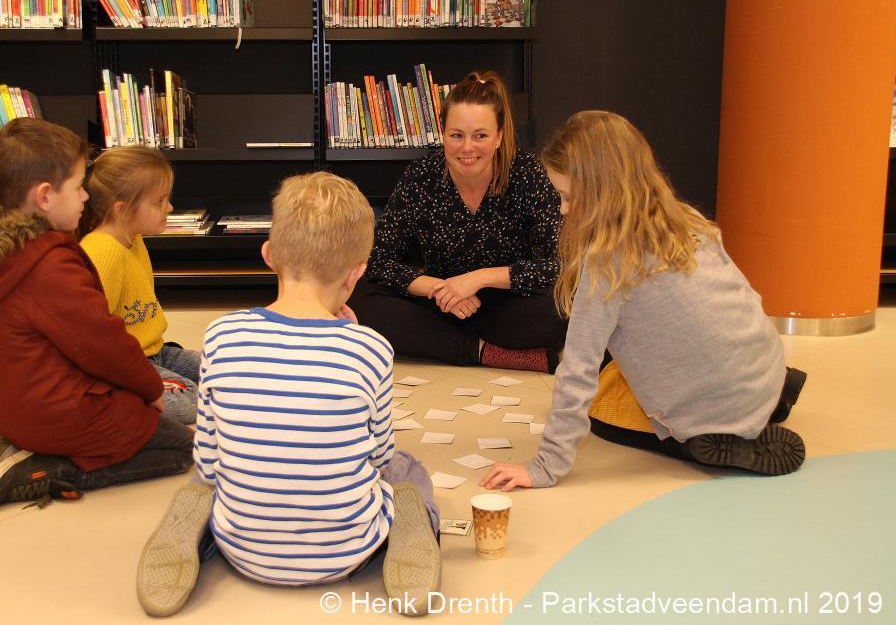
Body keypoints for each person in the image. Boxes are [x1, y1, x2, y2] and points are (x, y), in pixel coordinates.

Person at [136, 171, 441, 617]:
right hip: (347, 553)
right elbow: (377, 458)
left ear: (268, 255)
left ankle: (201, 530)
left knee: (208, 477)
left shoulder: (221, 335)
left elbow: (210, 459)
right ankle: (412, 529)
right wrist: (352, 338)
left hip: (242, 551)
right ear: (357, 273)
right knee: (407, 468)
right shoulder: (371, 348)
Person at [481, 111, 807, 491]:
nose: (563, 209)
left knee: (600, 413)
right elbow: (743, 297)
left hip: (714, 411)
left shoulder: (606, 262)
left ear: (600, 192)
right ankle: (768, 398)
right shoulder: (685, 218)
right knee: (621, 364)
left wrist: (545, 466)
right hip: (763, 367)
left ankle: (712, 437)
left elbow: (578, 368)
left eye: (568, 196)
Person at [0, 118, 193, 512]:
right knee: (182, 450)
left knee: (153, 418)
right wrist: (150, 390)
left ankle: (29, 445)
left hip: (15, 409)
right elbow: (103, 344)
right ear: (45, 196)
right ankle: (43, 469)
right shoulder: (48, 265)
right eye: (77, 187)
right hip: (60, 413)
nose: (85, 198)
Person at [349, 71, 567, 373]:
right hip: (440, 304)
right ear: (443, 134)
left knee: (561, 308)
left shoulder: (528, 174)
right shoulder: (421, 176)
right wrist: (437, 289)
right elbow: (378, 260)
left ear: (499, 136)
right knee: (358, 297)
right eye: (456, 135)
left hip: (508, 305)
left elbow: (556, 264)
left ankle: (452, 344)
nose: (467, 148)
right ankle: (485, 352)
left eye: (480, 136)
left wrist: (478, 279)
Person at [79, 146, 199, 425]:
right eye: (159, 202)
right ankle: (117, 399)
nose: (169, 208)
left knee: (221, 368)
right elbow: (92, 335)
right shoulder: (102, 252)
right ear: (122, 209)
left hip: (155, 351)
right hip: (129, 365)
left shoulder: (133, 238)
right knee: (191, 402)